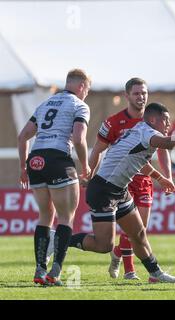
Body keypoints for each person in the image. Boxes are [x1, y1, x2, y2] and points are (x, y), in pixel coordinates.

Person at [68, 102, 175, 283]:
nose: (169, 125)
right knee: (104, 245)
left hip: (119, 189)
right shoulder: (148, 132)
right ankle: (61, 239)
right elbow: (168, 144)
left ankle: (156, 274)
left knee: (138, 234)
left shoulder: (140, 130)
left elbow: (138, 159)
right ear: (153, 119)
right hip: (103, 190)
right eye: (166, 120)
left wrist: (159, 177)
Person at [88, 78, 175, 280]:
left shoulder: (154, 120)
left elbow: (163, 149)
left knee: (138, 230)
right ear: (127, 96)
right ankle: (130, 271)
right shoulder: (113, 122)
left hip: (143, 177)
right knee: (125, 234)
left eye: (144, 93)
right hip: (116, 180)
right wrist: (89, 174)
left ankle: (122, 255)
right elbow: (98, 150)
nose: (141, 97)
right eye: (136, 93)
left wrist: (166, 177)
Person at [17, 68, 92, 285]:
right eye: (87, 89)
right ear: (81, 86)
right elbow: (78, 138)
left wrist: (23, 168)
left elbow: (23, 137)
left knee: (44, 216)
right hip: (58, 158)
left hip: (36, 159)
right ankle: (55, 272)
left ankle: (39, 271)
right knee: (66, 217)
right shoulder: (80, 105)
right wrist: (85, 165)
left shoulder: (45, 104)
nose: (86, 93)